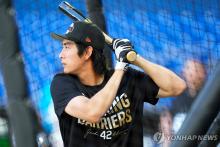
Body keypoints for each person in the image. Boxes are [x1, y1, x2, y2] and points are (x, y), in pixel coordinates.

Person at [50, 21, 186, 147]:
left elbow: (177, 87)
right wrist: (121, 66)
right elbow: (92, 112)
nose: (60, 55)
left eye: (67, 47)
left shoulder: (128, 78)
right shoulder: (62, 83)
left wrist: (134, 57)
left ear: (87, 52)